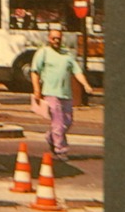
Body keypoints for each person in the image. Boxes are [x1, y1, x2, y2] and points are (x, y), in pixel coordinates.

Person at [30, 28, 95, 161]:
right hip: (50, 93)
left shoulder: (67, 55)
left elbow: (77, 72)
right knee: (58, 123)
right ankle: (60, 150)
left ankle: (50, 137)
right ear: (49, 39)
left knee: (68, 122)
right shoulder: (43, 52)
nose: (56, 41)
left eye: (58, 38)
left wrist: (85, 85)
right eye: (53, 38)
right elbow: (34, 71)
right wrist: (36, 89)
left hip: (66, 94)